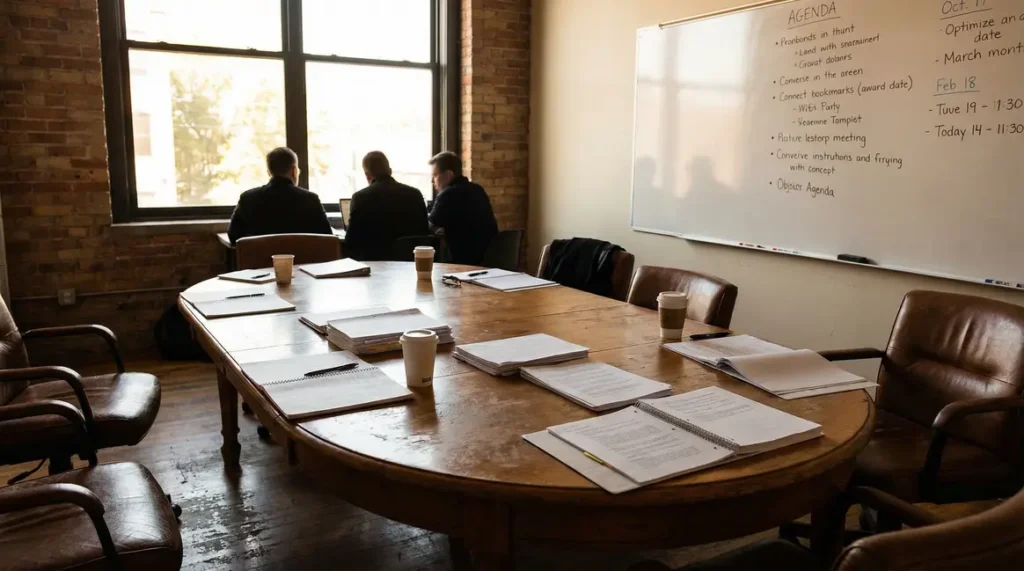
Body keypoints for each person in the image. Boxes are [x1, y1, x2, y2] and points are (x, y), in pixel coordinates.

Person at [227, 147, 333, 244]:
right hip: (304, 263)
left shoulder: (247, 198)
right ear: (294, 171)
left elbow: (234, 236)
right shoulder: (311, 199)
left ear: (269, 172)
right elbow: (327, 237)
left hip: (261, 263)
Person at [344, 151, 429, 261]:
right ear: (390, 171)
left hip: (374, 263)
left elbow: (352, 240)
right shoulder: (415, 194)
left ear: (367, 175)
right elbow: (424, 232)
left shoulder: (360, 197)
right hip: (410, 262)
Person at [427, 151, 498, 265]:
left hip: (463, 262)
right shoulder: (477, 189)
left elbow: (429, 226)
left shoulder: (448, 194)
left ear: (448, 175)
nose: (432, 181)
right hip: (488, 258)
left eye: (435, 175)